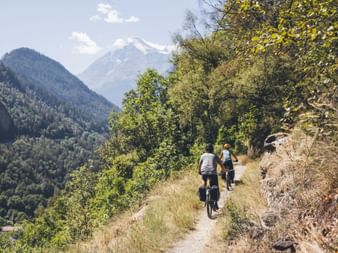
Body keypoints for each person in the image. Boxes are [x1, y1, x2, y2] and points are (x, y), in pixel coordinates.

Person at [198, 143, 225, 210]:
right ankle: (215, 204)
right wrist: (223, 170)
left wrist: (199, 171)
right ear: (212, 149)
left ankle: (204, 197)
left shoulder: (203, 155)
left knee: (204, 182)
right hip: (213, 173)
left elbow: (200, 164)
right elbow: (221, 164)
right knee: (215, 187)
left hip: (204, 172)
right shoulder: (214, 155)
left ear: (205, 149)